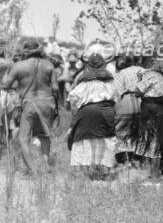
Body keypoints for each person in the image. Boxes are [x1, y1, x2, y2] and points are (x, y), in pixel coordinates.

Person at [1, 40, 58, 175]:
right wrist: (56, 107)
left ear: (24, 51)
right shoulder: (48, 64)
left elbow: (5, 85)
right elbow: (55, 88)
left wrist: (7, 72)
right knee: (44, 135)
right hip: (47, 102)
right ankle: (45, 166)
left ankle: (33, 171)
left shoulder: (19, 66)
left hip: (29, 103)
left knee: (23, 139)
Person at [67, 54, 118, 179]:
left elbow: (72, 98)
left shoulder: (84, 83)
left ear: (88, 67)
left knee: (85, 139)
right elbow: (117, 99)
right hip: (107, 111)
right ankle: (103, 173)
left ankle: (87, 174)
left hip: (86, 113)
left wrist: (75, 114)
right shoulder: (110, 82)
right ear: (105, 66)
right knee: (106, 139)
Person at [133, 57, 163, 182]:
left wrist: (139, 79)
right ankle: (157, 173)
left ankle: (154, 176)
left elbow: (138, 92)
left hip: (152, 111)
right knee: (160, 141)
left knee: (152, 143)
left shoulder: (150, 75)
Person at [113, 54, 144, 165]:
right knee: (139, 132)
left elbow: (116, 93)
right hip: (143, 103)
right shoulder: (144, 70)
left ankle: (125, 161)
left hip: (126, 102)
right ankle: (138, 160)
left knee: (122, 131)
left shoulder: (121, 74)